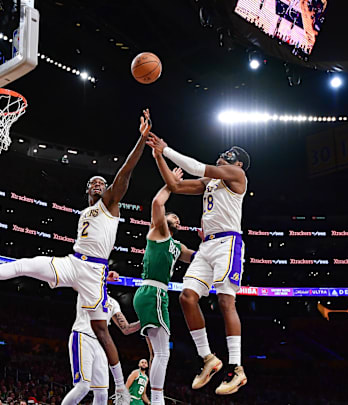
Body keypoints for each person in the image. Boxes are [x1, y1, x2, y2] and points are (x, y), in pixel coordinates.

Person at [0, 110, 153, 405]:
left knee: (103, 331)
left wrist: (141, 141)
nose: (97, 183)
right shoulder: (85, 213)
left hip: (93, 272)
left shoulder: (110, 205)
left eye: (101, 182)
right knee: (28, 265)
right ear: (86, 191)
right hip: (74, 262)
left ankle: (120, 388)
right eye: (92, 182)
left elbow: (125, 174)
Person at [147, 134, 250, 395]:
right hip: (207, 246)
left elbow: (195, 166)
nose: (225, 154)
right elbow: (174, 185)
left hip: (228, 242)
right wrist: (159, 157)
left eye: (231, 154)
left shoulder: (237, 177)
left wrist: (166, 147)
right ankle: (208, 359)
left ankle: (236, 368)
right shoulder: (210, 183)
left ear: (238, 164)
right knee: (187, 297)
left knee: (226, 301)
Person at [132, 163, 196, 405]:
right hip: (152, 291)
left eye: (178, 219)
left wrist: (211, 245)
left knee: (161, 352)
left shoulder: (177, 246)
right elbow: (157, 204)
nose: (176, 219)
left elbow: (194, 257)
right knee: (162, 352)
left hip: (157, 294)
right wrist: (172, 184)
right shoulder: (158, 232)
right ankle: (157, 399)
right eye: (173, 216)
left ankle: (157, 398)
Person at [62, 295, 140, 405]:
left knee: (102, 392)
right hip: (83, 336)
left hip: (101, 344)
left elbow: (126, 329)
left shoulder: (113, 302)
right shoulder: (86, 287)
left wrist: (146, 320)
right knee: (83, 386)